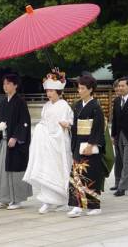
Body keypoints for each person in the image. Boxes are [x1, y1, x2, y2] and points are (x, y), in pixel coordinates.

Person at [23, 71, 73, 214]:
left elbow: (69, 122)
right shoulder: (46, 106)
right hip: (46, 144)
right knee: (46, 170)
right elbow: (44, 122)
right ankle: (47, 201)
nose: (49, 93)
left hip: (59, 143)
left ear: (58, 91)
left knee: (58, 170)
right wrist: (41, 128)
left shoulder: (64, 105)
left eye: (51, 90)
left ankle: (62, 200)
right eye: (47, 90)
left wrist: (66, 124)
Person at [0, 74, 33, 210]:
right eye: (4, 84)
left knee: (15, 171)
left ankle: (16, 200)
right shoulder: (4, 102)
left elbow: (24, 122)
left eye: (8, 83)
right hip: (3, 143)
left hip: (14, 145)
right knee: (1, 170)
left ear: (15, 85)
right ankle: (4, 198)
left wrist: (16, 137)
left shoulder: (20, 102)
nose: (5, 86)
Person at [67, 75, 105, 217]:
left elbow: (98, 128)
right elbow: (76, 126)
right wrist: (69, 128)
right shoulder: (77, 105)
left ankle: (94, 206)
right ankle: (76, 205)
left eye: (83, 88)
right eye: (79, 87)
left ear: (90, 90)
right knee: (76, 174)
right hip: (78, 144)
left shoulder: (96, 107)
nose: (79, 90)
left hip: (90, 145)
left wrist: (91, 144)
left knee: (90, 175)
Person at [110, 78, 122, 191]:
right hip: (118, 134)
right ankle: (118, 181)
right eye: (116, 87)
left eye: (120, 86)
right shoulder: (116, 101)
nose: (118, 88)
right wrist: (113, 135)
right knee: (118, 159)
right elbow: (114, 121)